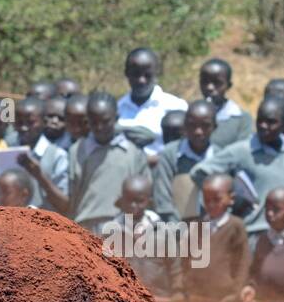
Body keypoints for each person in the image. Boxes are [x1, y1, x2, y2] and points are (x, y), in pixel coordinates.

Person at [189, 98, 284, 237]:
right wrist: (230, 195)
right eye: (260, 120)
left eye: (271, 122)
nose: (263, 126)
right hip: (250, 232)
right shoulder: (242, 150)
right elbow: (199, 172)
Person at [102, 174, 184, 302]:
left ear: (149, 201)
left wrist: (178, 291)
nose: (133, 205)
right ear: (121, 200)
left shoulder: (162, 230)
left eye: (139, 201)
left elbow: (175, 265)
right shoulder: (111, 231)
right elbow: (104, 267)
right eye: (129, 200)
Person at [64, 92, 149, 232]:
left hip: (122, 228)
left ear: (116, 118)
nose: (99, 127)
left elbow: (143, 194)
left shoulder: (132, 152)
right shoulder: (78, 150)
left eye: (105, 121)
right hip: (85, 227)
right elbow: (71, 194)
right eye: (94, 122)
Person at [182, 174, 250, 302]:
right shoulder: (196, 226)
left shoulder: (236, 227)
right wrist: (186, 287)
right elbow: (186, 260)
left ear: (231, 199)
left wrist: (234, 294)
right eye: (207, 200)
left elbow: (243, 263)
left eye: (217, 199)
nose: (211, 205)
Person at [152, 101, 216, 222]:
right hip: (176, 228)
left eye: (205, 125)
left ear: (215, 127)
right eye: (192, 125)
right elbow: (163, 199)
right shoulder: (170, 154)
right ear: (185, 126)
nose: (198, 131)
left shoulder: (221, 157)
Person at [116, 47, 187, 155]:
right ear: (126, 73)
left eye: (147, 75)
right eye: (136, 74)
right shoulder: (117, 110)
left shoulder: (176, 107)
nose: (141, 80)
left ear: (157, 73)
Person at [12, 97, 68, 210]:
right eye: (19, 122)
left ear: (44, 122)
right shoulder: (8, 149)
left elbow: (65, 204)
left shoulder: (57, 156)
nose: (23, 127)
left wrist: (40, 176)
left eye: (30, 122)